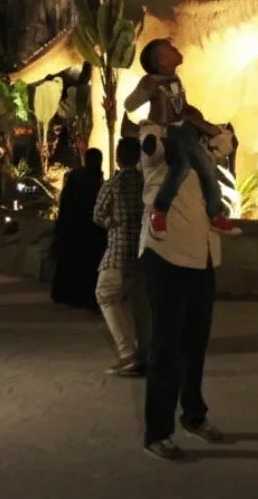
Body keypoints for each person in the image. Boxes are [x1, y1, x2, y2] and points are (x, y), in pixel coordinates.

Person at [138, 122, 226, 462]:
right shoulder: (157, 140)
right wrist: (168, 123)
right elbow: (150, 149)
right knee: (166, 348)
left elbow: (225, 142)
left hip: (203, 257)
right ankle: (157, 432)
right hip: (166, 255)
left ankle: (194, 416)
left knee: (195, 346)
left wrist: (197, 121)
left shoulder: (200, 146)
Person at [124, 39, 239, 240]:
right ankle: (159, 210)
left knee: (207, 166)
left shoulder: (175, 80)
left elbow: (181, 107)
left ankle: (215, 213)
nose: (176, 48)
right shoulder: (153, 82)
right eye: (170, 49)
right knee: (181, 166)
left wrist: (198, 119)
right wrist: (144, 88)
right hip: (167, 132)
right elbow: (130, 104)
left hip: (184, 129)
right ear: (161, 60)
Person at [92, 137, 150, 376]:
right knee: (140, 305)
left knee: (105, 295)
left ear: (117, 157)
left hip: (117, 251)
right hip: (144, 253)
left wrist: (112, 223)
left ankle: (128, 354)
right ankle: (146, 354)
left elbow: (97, 215)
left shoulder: (113, 184)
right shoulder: (146, 183)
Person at [50, 148, 106, 311]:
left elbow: (66, 204)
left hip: (73, 227)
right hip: (89, 229)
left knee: (72, 261)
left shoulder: (76, 177)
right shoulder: (94, 179)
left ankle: (68, 294)